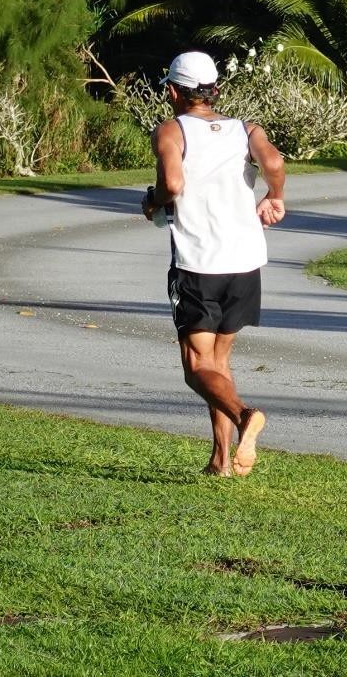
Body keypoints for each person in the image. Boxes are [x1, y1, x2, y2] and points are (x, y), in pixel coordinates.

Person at [141, 50, 286, 477]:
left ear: (172, 91)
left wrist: (154, 202)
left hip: (198, 263)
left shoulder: (171, 130)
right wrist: (275, 196)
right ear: (214, 90)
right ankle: (221, 460)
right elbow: (274, 163)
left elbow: (171, 183)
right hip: (245, 262)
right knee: (218, 364)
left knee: (196, 368)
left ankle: (245, 416)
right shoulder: (246, 129)